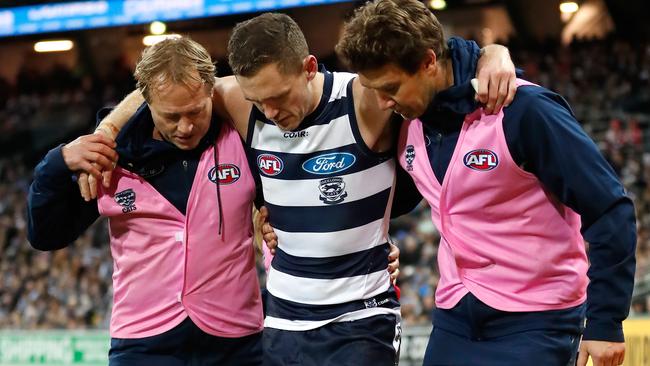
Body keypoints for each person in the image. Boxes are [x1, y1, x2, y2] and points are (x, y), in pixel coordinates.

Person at [83, 13, 516, 366]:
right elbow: (160, 89)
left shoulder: (363, 100)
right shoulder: (240, 102)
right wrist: (105, 132)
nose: (270, 112)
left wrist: (489, 55)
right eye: (258, 100)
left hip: (360, 315)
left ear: (310, 67)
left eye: (278, 96)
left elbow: (423, 68)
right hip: (284, 319)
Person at [334, 0, 637, 365]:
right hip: (455, 316)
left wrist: (605, 321)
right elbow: (383, 199)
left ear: (429, 62)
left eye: (391, 87)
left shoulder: (526, 111)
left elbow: (610, 209)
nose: (382, 102)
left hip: (537, 319)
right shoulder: (408, 121)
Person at [27, 37, 265, 366]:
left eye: (196, 111)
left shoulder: (241, 137)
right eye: (171, 116)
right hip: (143, 345)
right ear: (146, 102)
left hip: (236, 342)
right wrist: (55, 164)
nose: (186, 126)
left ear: (212, 93)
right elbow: (47, 235)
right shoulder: (112, 157)